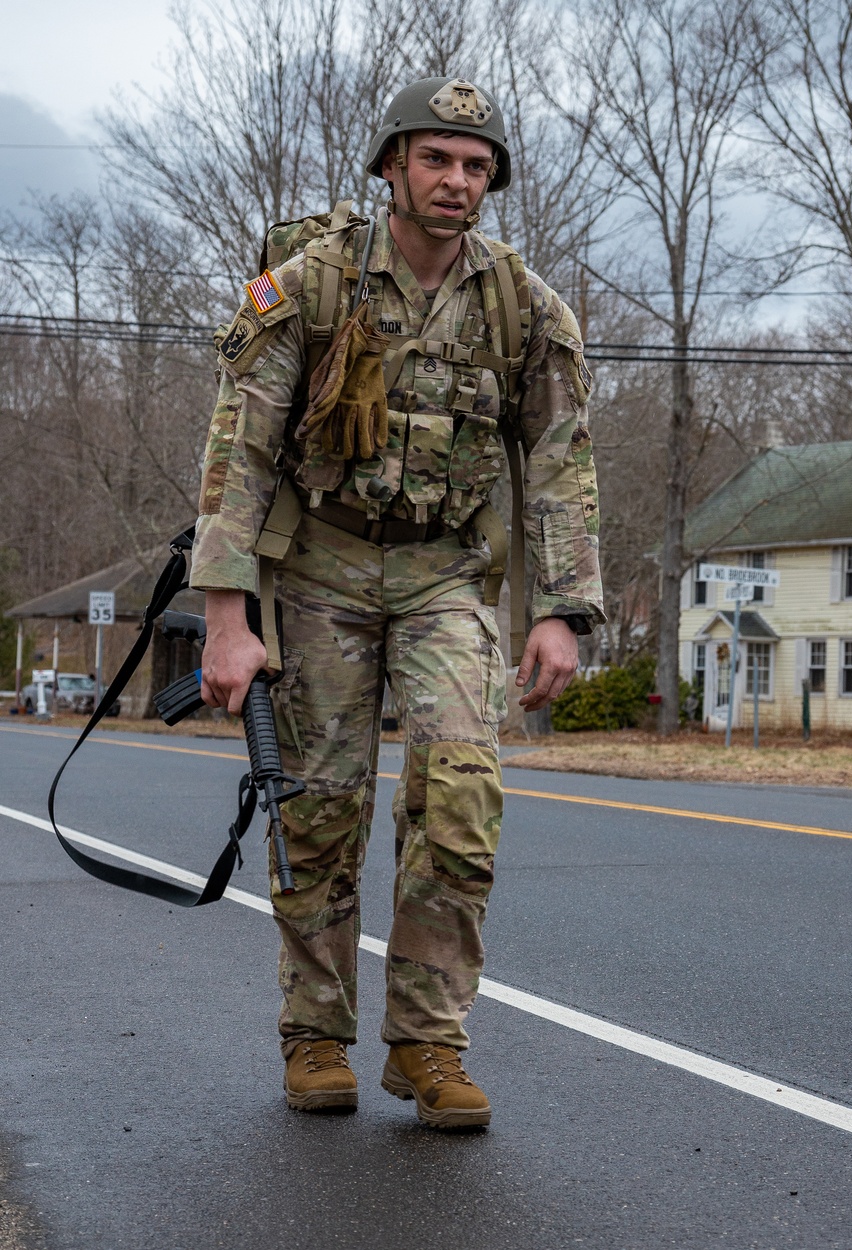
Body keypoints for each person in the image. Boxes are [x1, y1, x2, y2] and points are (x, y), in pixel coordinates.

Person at [189, 76, 604, 1129]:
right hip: (321, 568)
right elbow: (236, 455)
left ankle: (428, 1045)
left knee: (460, 796)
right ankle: (315, 1035)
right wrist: (230, 620)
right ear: (390, 166)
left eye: (475, 166)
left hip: (444, 576)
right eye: (436, 160)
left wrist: (562, 609)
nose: (456, 181)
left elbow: (558, 462)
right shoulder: (310, 286)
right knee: (320, 812)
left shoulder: (522, 304)